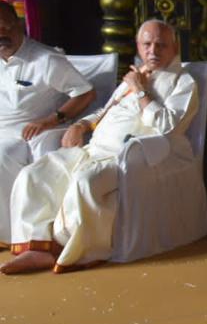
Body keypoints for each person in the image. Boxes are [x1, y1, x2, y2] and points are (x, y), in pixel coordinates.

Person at [2, 20, 195, 275]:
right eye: (147, 44)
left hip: (128, 158)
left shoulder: (183, 82)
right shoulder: (133, 77)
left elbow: (169, 127)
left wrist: (140, 92)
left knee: (84, 181)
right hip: (93, 151)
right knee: (34, 175)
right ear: (138, 46)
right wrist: (81, 125)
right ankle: (36, 247)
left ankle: (75, 249)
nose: (153, 51)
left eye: (161, 45)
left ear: (174, 47)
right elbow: (105, 110)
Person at [0, 1, 94, 246]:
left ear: (19, 25)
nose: (1, 35)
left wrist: (51, 120)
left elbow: (85, 93)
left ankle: (10, 235)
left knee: (1, 155)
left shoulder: (46, 60)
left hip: (27, 132)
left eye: (5, 28)